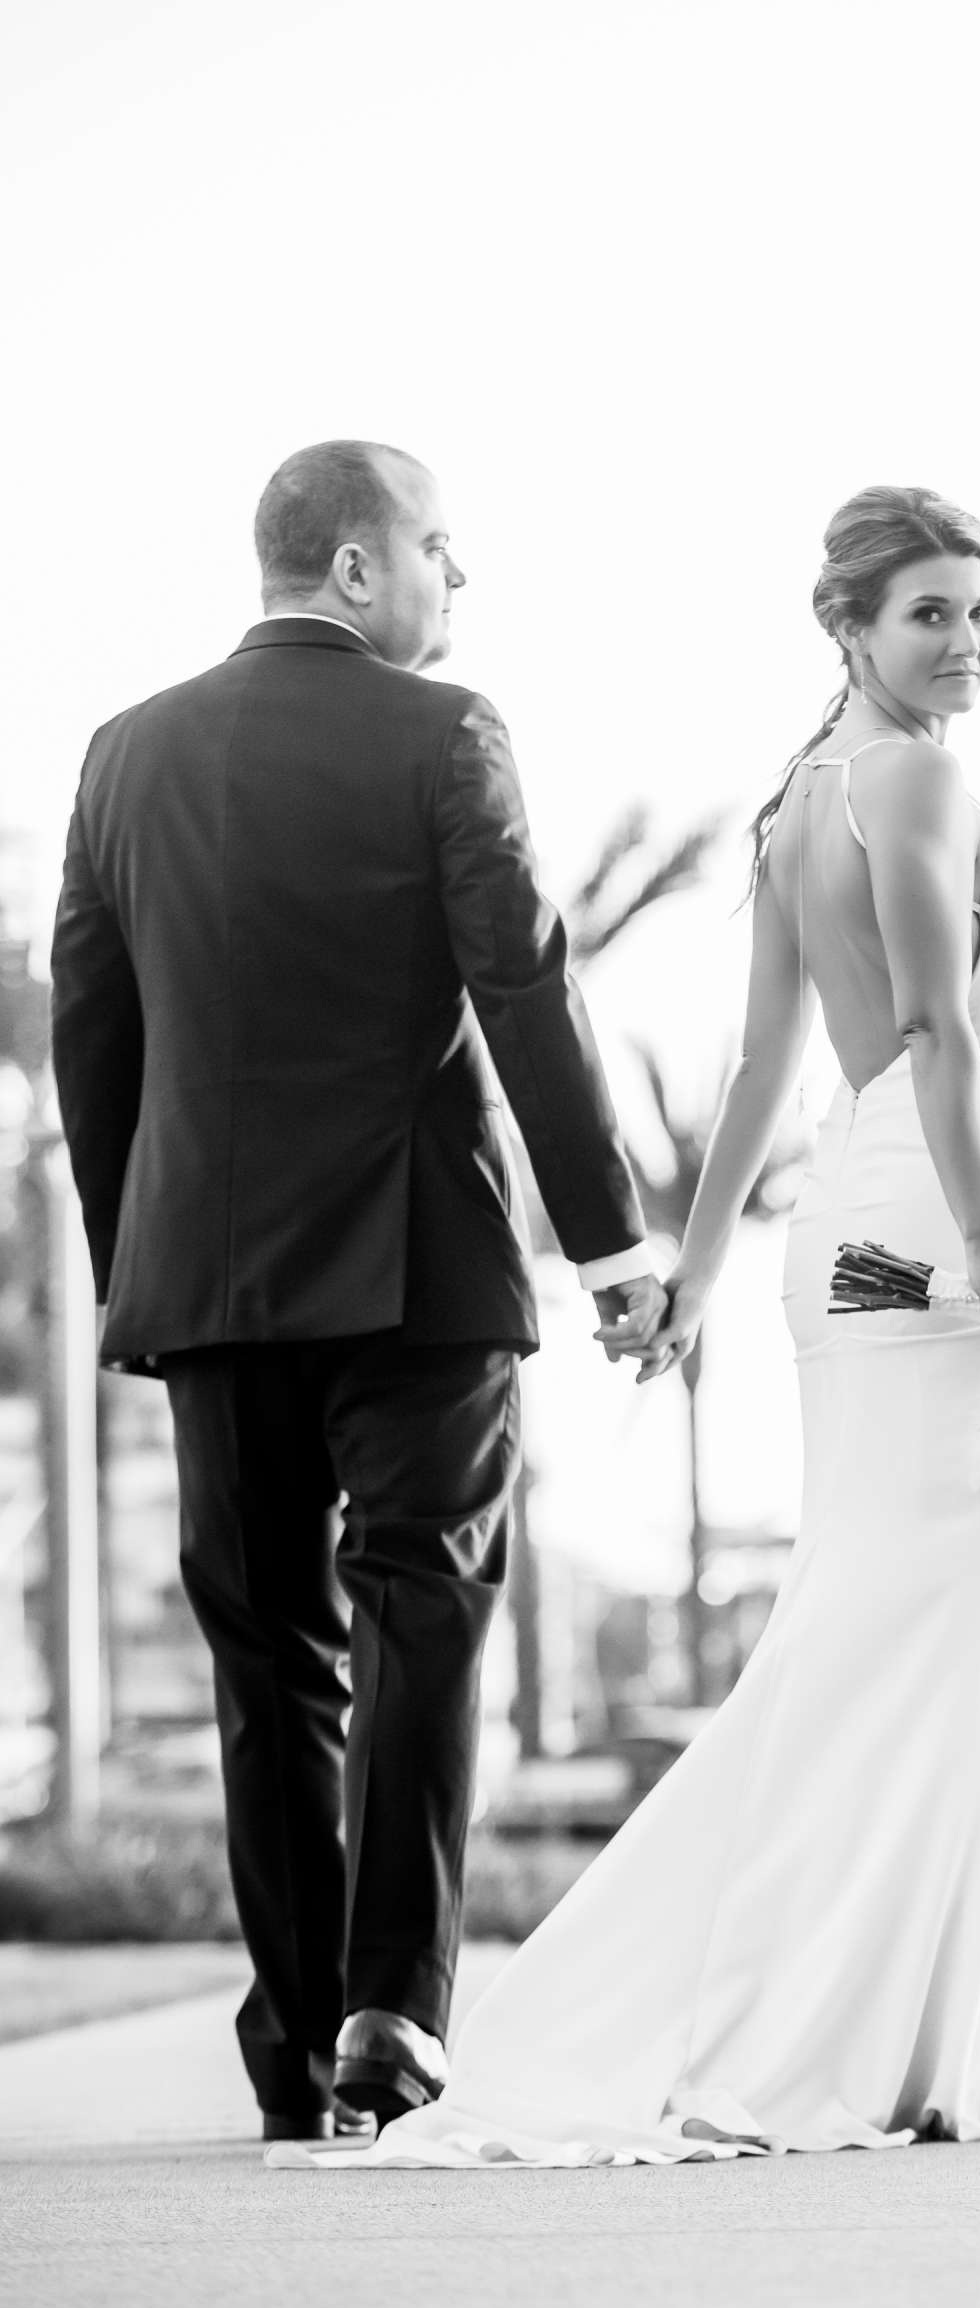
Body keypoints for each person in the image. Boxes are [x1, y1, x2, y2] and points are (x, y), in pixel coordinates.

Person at [276, 483, 980, 2170]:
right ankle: (896, 2039)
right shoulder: (918, 780)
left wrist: (707, 1271)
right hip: (946, 1225)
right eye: (930, 611)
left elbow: (765, 1070)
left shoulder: (799, 803)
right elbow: (938, 1029)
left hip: (852, 1232)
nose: (966, 642)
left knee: (892, 1634)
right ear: (847, 628)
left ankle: (947, 2039)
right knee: (925, 1635)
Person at [50, 441, 666, 2143]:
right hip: (421, 1280)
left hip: (212, 1295)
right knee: (424, 1621)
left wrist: (142, 1275)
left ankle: (292, 2047)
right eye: (439, 552)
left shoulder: (122, 758)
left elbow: (92, 1042)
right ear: (352, 571)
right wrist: (612, 1248)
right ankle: (393, 2015)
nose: (457, 585)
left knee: (271, 1669)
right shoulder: (445, 735)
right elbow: (523, 985)